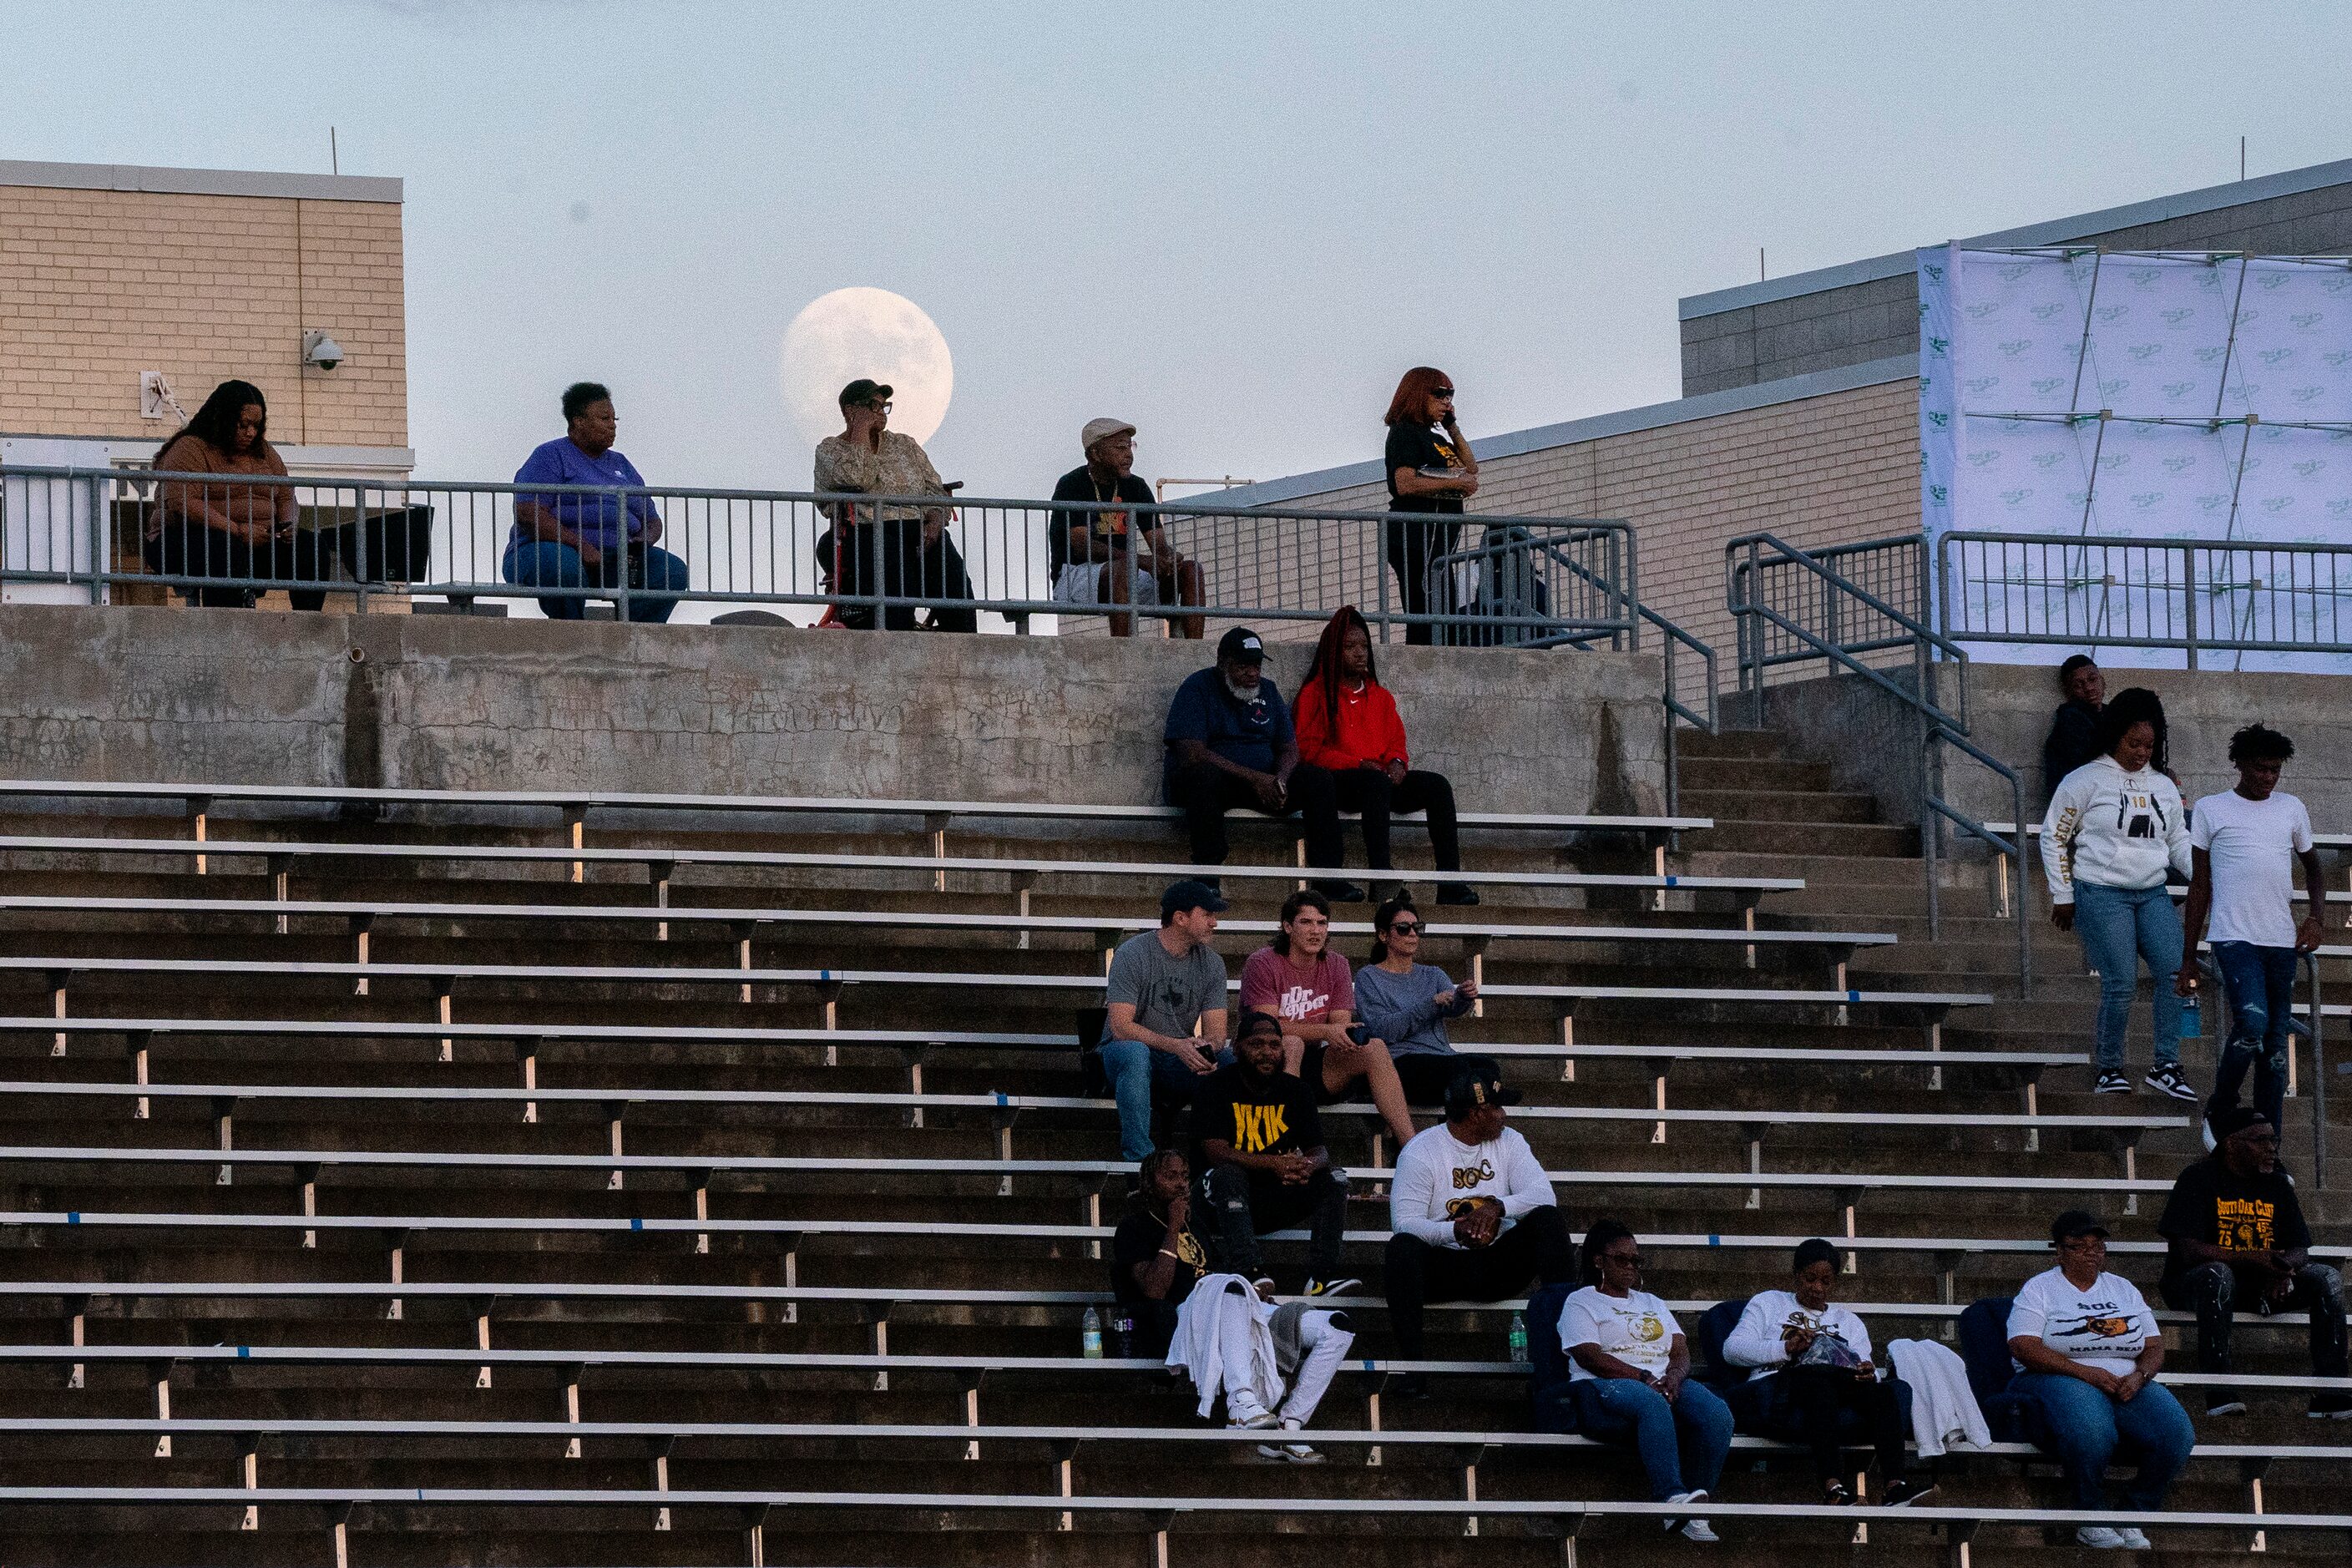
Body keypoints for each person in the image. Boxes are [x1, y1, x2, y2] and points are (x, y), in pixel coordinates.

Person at [1130, 1151, 1357, 1460]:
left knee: (1337, 1327)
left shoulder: (1196, 1226)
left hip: (1231, 1304)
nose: (1182, 1185)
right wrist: (1172, 1228)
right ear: (1148, 1183)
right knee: (1231, 1285)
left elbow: (1219, 1272)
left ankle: (1289, 1425)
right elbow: (1155, 1290)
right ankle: (1240, 1406)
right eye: (1170, 1177)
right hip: (1188, 1318)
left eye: (1185, 1176)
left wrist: (1256, 1297)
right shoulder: (1136, 1227)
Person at [2040, 687, 2198, 1100]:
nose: (2142, 752)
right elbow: (2054, 835)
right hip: (2101, 893)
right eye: (2133, 743)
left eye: (2149, 744)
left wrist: (2203, 875)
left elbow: (2178, 837)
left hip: (2152, 892)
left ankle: (2165, 1065)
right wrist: (2063, 893)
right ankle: (2109, 1067)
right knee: (2121, 982)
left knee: (2175, 974)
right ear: (2114, 736)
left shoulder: (2163, 785)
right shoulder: (2085, 779)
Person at [2006, 1210, 2193, 1550]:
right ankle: (2089, 1513)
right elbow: (2023, 1345)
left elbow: (2154, 1346)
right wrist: (2086, 1373)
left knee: (2176, 1433)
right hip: (2055, 1374)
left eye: (2099, 1246)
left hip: (2125, 1377)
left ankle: (2133, 1513)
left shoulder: (2123, 1288)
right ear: (2059, 1252)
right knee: (2092, 1431)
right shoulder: (2041, 1288)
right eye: (2080, 1246)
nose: (2092, 1253)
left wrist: (2141, 1375)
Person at [1383, 1066, 1576, 1390]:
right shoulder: (1421, 1150)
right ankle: (1414, 1368)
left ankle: (1567, 1353)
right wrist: (1456, 1232)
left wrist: (1497, 1208)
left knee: (1548, 1220)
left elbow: (1545, 1196)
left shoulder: (1511, 1140)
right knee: (1401, 1249)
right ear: (1475, 1114)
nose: (1503, 1115)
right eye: (1496, 1108)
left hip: (1497, 1263)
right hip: (1443, 1265)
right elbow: (1405, 1223)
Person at [2179, 723, 2324, 1143]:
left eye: (2275, 770)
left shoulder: (2292, 808)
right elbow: (2200, 884)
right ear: (2239, 764)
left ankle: (2267, 1142)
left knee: (2276, 1051)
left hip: (2281, 940)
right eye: (2260, 768)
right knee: (2252, 1022)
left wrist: (2315, 917)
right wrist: (2190, 957)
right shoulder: (2211, 808)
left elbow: (2314, 870)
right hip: (2233, 935)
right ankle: (2219, 1108)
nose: (2268, 777)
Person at [2157, 1106, 2349, 1419]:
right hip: (2194, 1284)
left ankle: (2332, 1393)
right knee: (2217, 1275)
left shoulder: (2277, 1184)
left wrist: (2284, 1268)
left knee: (2326, 1277)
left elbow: (2301, 1247)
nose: (2271, 1148)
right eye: (2260, 1141)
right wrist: (2255, 1259)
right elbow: (2189, 1250)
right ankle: (2219, 1389)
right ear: (2231, 1143)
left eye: (2274, 1140)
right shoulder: (2198, 1178)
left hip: (2261, 1285)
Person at [1722, 1238, 1935, 1507]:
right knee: (1817, 1381)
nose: (1817, 1288)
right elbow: (1732, 1349)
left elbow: (1865, 1365)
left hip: (1837, 1391)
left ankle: (1895, 1487)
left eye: (1826, 1281)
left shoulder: (1849, 1322)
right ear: (1796, 1275)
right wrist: (1786, 1348)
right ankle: (1833, 1486)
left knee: (1889, 1391)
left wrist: (1869, 1373)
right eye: (1810, 1279)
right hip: (1780, 1389)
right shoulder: (1769, 1303)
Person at [1560, 1219, 1733, 1545]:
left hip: (1661, 1378)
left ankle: (1694, 1508)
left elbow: (1679, 1349)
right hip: (1606, 1380)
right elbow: (1589, 1356)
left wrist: (1674, 1377)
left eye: (1635, 1260)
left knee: (1717, 1414)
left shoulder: (1651, 1302)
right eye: (1621, 1260)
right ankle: (1671, 1497)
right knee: (1651, 1403)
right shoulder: (1581, 1301)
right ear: (1598, 1260)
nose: (1630, 1267)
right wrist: (1643, 1377)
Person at [1294, 606, 1476, 905]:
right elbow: (1308, 750)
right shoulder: (1315, 693)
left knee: (1437, 786)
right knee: (1374, 782)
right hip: (1342, 783)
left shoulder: (1380, 695)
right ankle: (1382, 877)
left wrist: (1397, 762)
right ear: (1333, 651)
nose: (1360, 653)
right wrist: (1357, 764)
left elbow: (1396, 739)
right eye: (1350, 647)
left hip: (1379, 779)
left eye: (1364, 646)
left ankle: (1450, 883)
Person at [1163, 628, 1356, 899]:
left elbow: (1289, 747)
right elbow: (1192, 752)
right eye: (1244, 666)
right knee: (1202, 775)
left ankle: (1329, 878)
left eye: (1257, 665)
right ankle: (1207, 877)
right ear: (1222, 662)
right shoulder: (1198, 687)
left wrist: (1281, 779)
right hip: (1218, 782)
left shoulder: (1268, 690)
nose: (1253, 672)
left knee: (1318, 780)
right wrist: (1255, 778)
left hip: (1265, 783)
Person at [1191, 1009, 1355, 1298]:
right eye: (1257, 1045)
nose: (1267, 1052)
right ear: (1237, 1048)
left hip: (1271, 1197)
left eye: (1274, 1045)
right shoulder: (1215, 1087)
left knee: (1336, 1179)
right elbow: (1216, 1153)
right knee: (1228, 1175)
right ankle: (1248, 1271)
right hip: (1218, 1199)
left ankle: (1322, 1278)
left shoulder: (1297, 1091)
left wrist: (1308, 1165)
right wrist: (1273, 1164)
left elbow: (1321, 1152)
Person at [1237, 889, 1416, 1149]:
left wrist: (1345, 1034)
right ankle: (1287, 1146)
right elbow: (1266, 1029)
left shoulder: (1337, 964)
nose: (1316, 931)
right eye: (1306, 922)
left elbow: (1339, 1027)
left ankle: (1412, 1148)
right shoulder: (1263, 962)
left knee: (1374, 1047)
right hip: (1265, 1063)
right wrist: (1327, 1032)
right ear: (1288, 927)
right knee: (1291, 1043)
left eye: (1322, 923)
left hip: (1317, 1066)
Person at [505, 382, 691, 622]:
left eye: (615, 419)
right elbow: (528, 513)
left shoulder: (622, 465)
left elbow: (652, 519)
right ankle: (571, 631)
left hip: (616, 558)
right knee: (564, 566)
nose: (612, 426)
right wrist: (580, 545)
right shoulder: (550, 456)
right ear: (578, 422)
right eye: (604, 419)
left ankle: (630, 635)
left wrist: (642, 542)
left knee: (671, 571)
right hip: (549, 552)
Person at [144, 379, 326, 609]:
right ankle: (228, 623)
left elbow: (285, 495)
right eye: (243, 425)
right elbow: (184, 503)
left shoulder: (266, 453)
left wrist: (288, 523)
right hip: (184, 540)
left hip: (255, 542)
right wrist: (238, 530)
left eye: (256, 426)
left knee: (310, 545)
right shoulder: (190, 447)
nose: (250, 433)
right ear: (224, 419)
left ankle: (309, 626)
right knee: (225, 546)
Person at [813, 378, 974, 632]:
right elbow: (858, 479)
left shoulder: (905, 445)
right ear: (850, 410)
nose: (880, 411)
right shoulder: (831, 449)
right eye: (872, 405)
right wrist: (861, 432)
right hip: (866, 528)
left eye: (883, 405)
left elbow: (934, 487)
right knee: (895, 572)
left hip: (917, 525)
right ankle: (898, 640)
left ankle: (966, 649)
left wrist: (935, 518)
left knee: (953, 576)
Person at [1099, 880, 1232, 1161]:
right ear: (1180, 918)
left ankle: (1218, 1158)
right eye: (1207, 914)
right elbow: (1121, 1028)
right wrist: (1177, 1046)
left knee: (1230, 1060)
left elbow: (1218, 1032)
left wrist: (1207, 1047)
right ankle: (1141, 1162)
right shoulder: (1132, 954)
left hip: (1176, 1059)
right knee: (1135, 1054)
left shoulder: (1212, 963)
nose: (1215, 922)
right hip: (1124, 1054)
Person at [1048, 419, 1204, 640]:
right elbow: (1083, 546)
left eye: (1130, 446)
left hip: (1125, 575)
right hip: (1075, 576)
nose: (1128, 454)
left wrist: (1167, 558)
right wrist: (1141, 561)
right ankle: (1125, 650)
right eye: (1119, 448)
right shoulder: (1072, 484)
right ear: (1095, 454)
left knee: (1191, 570)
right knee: (1120, 569)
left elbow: (1158, 544)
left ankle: (1195, 652)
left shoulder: (1136, 486)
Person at [1354, 893, 1499, 1106]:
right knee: (1459, 1072)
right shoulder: (1369, 977)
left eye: (1417, 928)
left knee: (1488, 1066)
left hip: (1442, 1057)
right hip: (1400, 1062)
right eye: (1403, 928)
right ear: (1383, 935)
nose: (1412, 934)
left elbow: (1452, 1009)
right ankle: (1489, 1101)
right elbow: (1383, 1031)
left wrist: (1463, 997)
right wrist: (1431, 1004)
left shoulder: (1433, 974)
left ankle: (1483, 1104)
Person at [1382, 367, 1477, 646]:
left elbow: (1471, 468)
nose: (1446, 401)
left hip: (1438, 542)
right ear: (1417, 394)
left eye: (1450, 395)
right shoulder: (1404, 433)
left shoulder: (1436, 438)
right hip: (1416, 538)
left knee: (1443, 610)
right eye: (1439, 394)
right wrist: (1455, 484)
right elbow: (1404, 482)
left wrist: (1452, 427)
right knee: (1425, 609)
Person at [2042, 655, 2106, 803]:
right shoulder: (2070, 720)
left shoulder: (2115, 714)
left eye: (2092, 679)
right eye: (2079, 685)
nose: (2089, 688)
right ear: (2068, 691)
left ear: (2103, 681)